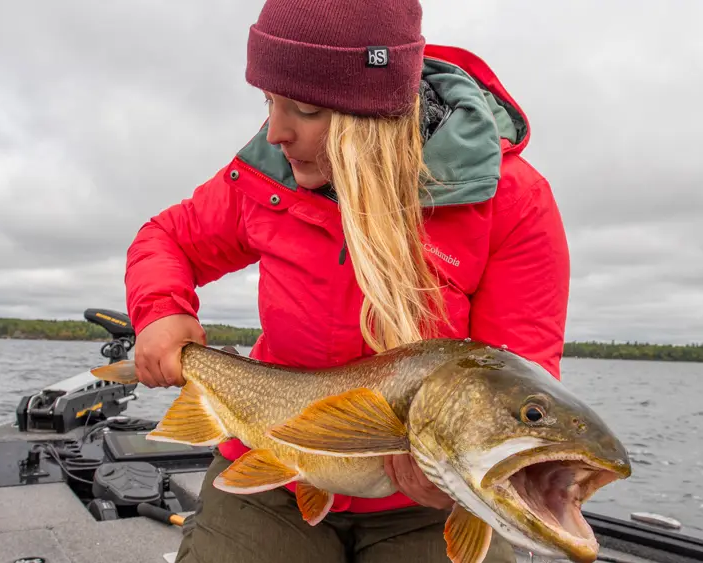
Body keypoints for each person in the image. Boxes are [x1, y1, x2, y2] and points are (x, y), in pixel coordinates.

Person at [123, 0, 570, 561]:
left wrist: (462, 468)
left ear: (374, 116)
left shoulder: (512, 201)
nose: (277, 131)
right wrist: (162, 310)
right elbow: (165, 238)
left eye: (305, 109)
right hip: (273, 469)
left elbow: (515, 378)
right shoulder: (265, 176)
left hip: (429, 507)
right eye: (269, 101)